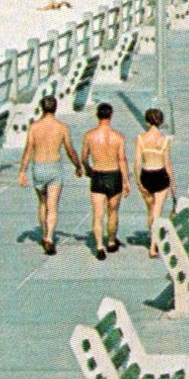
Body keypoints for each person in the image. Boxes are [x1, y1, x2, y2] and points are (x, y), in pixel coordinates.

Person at [17, 93, 82, 256]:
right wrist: (78, 166)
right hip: (54, 168)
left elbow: (28, 150)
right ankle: (49, 238)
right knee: (52, 206)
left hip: (38, 167)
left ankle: (44, 234)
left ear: (41, 108)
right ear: (56, 108)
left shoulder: (34, 127)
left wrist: (22, 171)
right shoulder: (62, 128)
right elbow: (70, 151)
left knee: (42, 204)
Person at [82, 102, 128, 261]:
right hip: (114, 175)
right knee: (113, 212)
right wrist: (126, 181)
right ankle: (110, 241)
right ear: (111, 115)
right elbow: (122, 159)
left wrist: (88, 170)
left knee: (98, 214)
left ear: (97, 115)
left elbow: (84, 158)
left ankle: (99, 246)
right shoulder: (118, 137)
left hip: (98, 174)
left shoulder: (89, 136)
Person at [134, 108, 174, 258]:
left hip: (146, 173)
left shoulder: (140, 139)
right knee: (157, 210)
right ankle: (153, 245)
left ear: (146, 121)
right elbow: (168, 164)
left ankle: (152, 237)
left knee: (150, 209)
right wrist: (173, 188)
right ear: (161, 121)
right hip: (160, 174)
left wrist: (138, 182)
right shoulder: (164, 140)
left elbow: (137, 162)